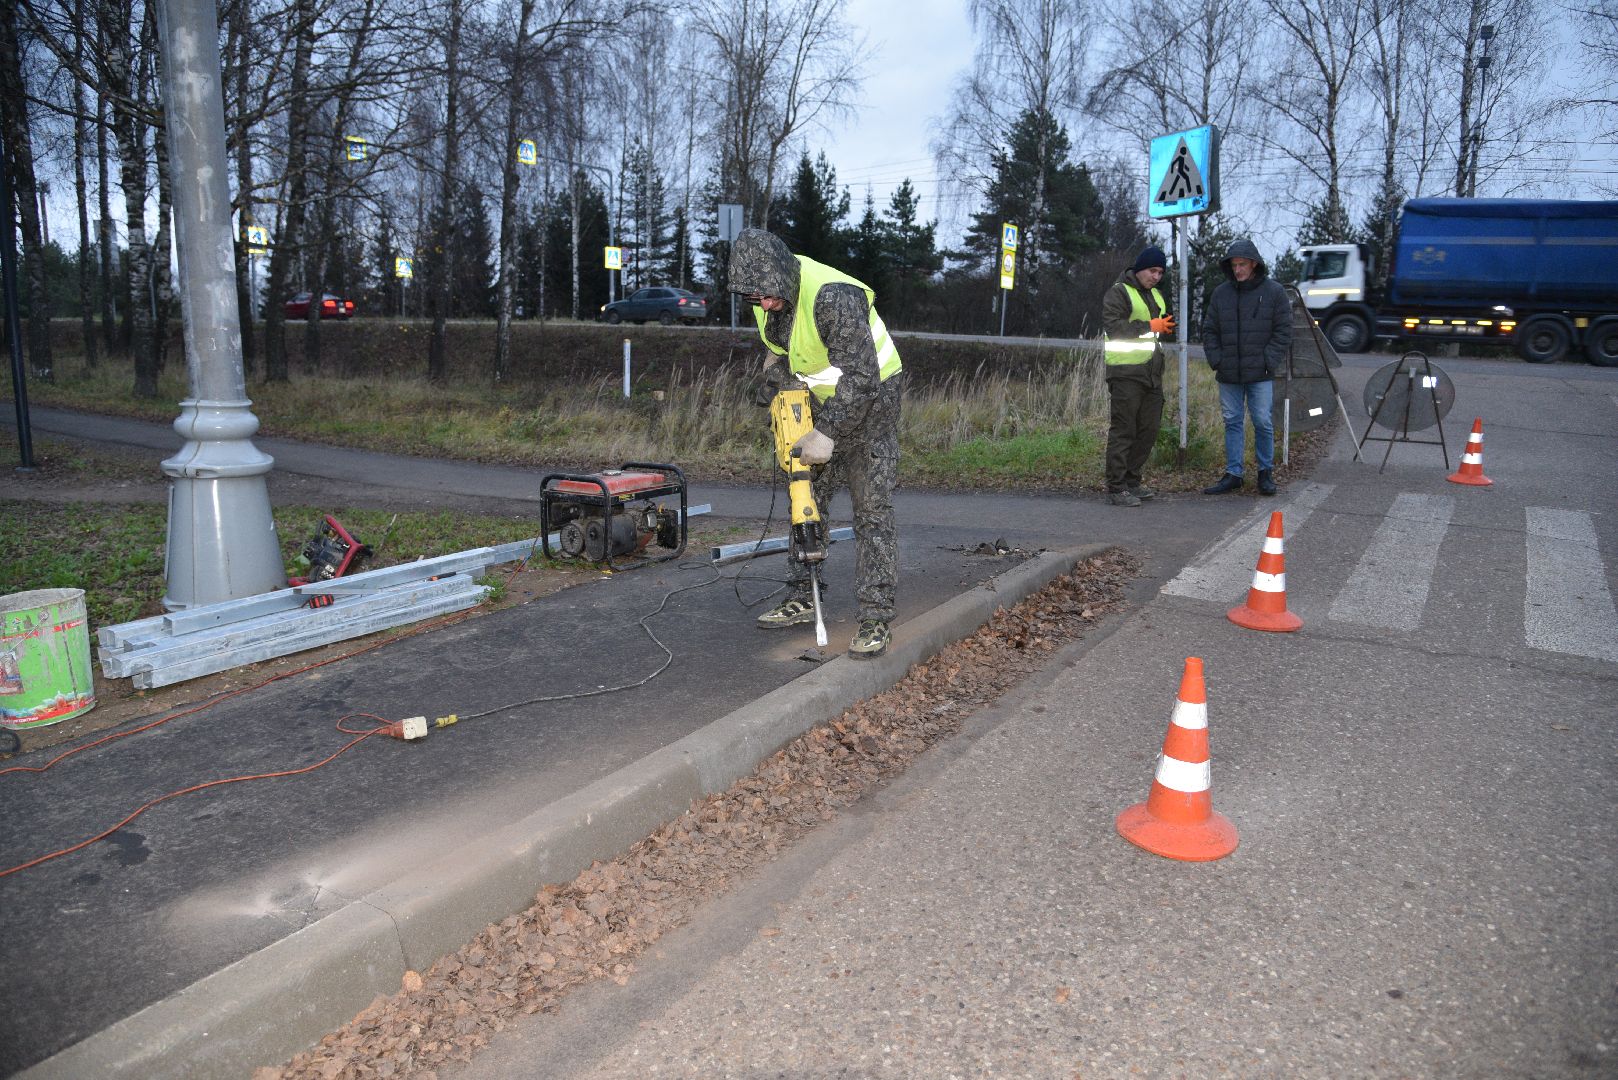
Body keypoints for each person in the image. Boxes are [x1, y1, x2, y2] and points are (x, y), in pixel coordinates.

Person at [728, 227, 904, 659]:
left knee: (871, 508)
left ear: (785, 275)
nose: (764, 304)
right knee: (805, 496)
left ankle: (876, 616)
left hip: (875, 398)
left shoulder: (833, 296)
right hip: (823, 401)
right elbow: (780, 349)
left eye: (769, 295)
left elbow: (862, 377)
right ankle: (802, 596)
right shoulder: (765, 297)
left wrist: (827, 434)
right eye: (755, 298)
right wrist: (775, 387)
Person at [1200, 238, 1291, 496]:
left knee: (1262, 421)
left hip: (1260, 372)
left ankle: (1265, 473)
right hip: (1228, 372)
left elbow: (1283, 331)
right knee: (1232, 421)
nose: (1237, 269)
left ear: (1253, 264)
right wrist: (1217, 359)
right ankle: (1234, 473)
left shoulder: (1274, 292)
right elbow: (1209, 330)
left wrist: (1268, 360)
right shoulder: (1221, 293)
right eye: (1234, 265)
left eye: (1241, 264)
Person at [1100, 245, 1174, 507]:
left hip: (1152, 374)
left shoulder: (1157, 296)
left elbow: (1157, 332)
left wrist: (1164, 328)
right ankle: (1116, 487)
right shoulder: (1119, 292)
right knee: (1124, 430)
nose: (1156, 277)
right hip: (1125, 373)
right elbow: (1114, 327)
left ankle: (1132, 481)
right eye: (1153, 271)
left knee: (1148, 430)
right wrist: (1150, 326)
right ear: (1140, 269)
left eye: (1160, 273)